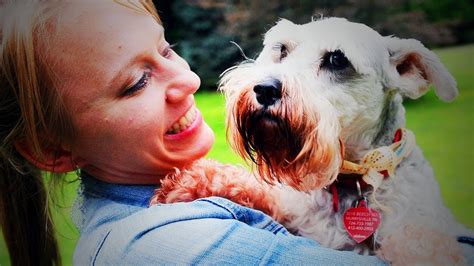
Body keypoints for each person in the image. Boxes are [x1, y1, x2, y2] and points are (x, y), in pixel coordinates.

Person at [0, 1, 469, 265]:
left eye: (166, 49)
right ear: (52, 149)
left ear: (406, 74)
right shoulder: (164, 249)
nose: (188, 80)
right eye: (135, 82)